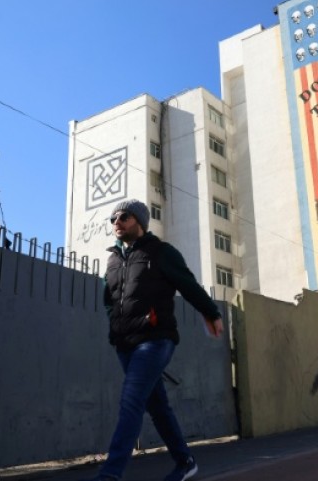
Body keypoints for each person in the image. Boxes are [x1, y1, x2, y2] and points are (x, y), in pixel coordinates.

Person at [85, 199, 224, 481]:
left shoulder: (161, 252)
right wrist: (115, 325)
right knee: (157, 406)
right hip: (126, 343)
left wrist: (211, 312)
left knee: (131, 399)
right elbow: (108, 299)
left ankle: (110, 475)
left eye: (123, 217)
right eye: (113, 219)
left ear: (139, 221)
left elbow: (188, 284)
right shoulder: (112, 260)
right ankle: (185, 462)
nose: (117, 222)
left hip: (156, 339)